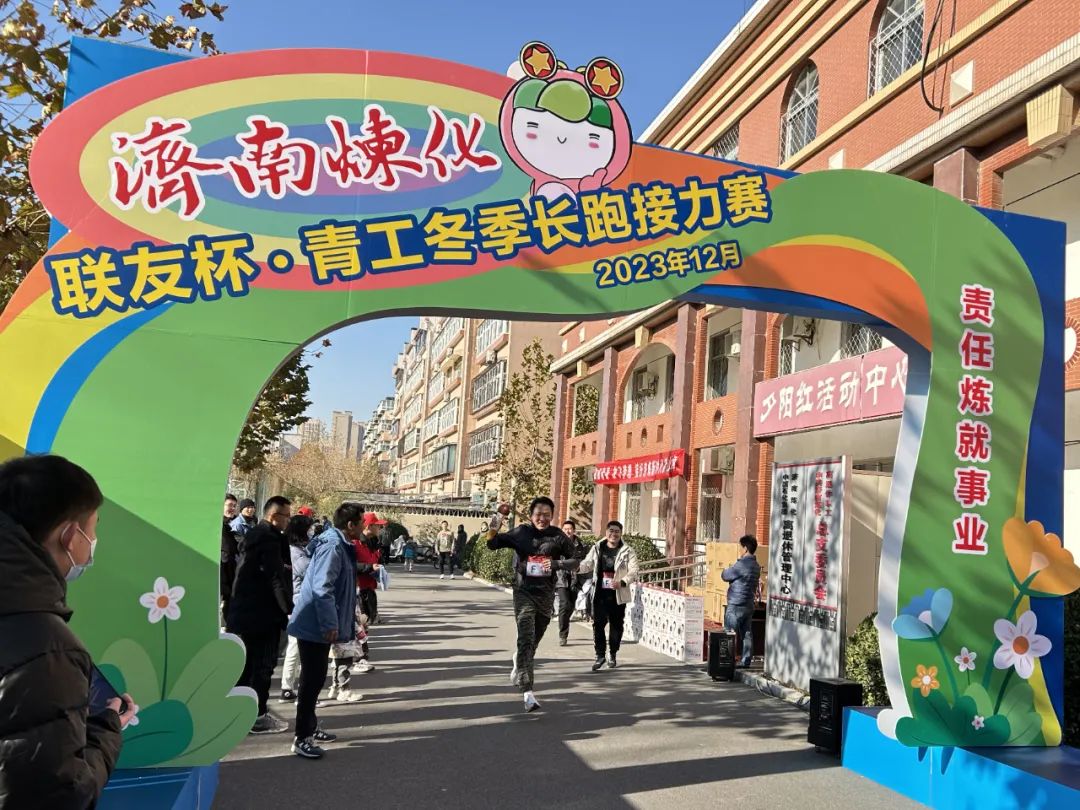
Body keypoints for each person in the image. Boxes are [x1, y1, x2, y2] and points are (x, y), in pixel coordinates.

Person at [0, 454, 138, 807]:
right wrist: (107, 729)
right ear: (70, 535)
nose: (93, 541)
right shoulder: (48, 648)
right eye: (93, 528)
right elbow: (58, 794)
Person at [485, 497, 579, 712]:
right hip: (523, 591)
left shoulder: (557, 535)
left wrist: (555, 563)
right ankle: (527, 692)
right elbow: (492, 543)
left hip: (545, 595)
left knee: (532, 644)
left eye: (547, 515)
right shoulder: (521, 532)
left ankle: (519, 661)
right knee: (526, 638)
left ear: (552, 516)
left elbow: (575, 561)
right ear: (530, 515)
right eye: (538, 514)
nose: (542, 518)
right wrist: (497, 519)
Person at [287, 503, 363, 760]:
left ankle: (309, 727)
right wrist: (330, 623)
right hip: (315, 623)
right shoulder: (333, 546)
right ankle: (302, 737)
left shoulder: (339, 543)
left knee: (315, 679)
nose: (363, 527)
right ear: (351, 525)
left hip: (317, 622)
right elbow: (322, 587)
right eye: (361, 522)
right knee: (312, 680)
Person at [227, 496, 293, 734]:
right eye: (286, 516)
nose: (289, 521)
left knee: (245, 668)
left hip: (244, 613)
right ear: (274, 517)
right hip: (262, 615)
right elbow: (275, 578)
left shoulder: (255, 535)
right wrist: (289, 609)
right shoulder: (268, 539)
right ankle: (257, 716)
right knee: (262, 667)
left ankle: (239, 714)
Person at [579, 520, 640, 671]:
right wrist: (576, 567)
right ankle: (600, 655)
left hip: (618, 594)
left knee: (616, 626)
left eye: (617, 531)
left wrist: (623, 582)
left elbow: (634, 570)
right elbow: (587, 563)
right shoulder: (597, 547)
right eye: (611, 531)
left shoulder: (627, 551)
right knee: (598, 624)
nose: (614, 534)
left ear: (621, 533)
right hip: (600, 594)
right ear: (606, 532)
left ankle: (612, 653)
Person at [280, 513, 315, 703]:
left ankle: (291, 687)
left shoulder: (302, 548)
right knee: (297, 647)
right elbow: (308, 570)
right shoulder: (294, 551)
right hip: (299, 603)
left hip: (302, 601)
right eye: (309, 528)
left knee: (298, 647)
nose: (312, 532)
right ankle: (290, 688)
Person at [721, 535, 761, 668]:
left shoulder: (741, 564)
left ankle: (727, 661)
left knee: (729, 633)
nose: (739, 550)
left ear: (745, 548)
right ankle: (746, 661)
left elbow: (725, 575)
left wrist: (725, 570)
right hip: (748, 603)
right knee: (747, 633)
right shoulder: (756, 566)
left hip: (736, 603)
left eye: (740, 547)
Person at [555, 518, 588, 646]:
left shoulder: (582, 546)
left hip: (576, 579)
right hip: (561, 578)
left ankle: (564, 621)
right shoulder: (556, 544)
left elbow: (586, 562)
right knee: (564, 604)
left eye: (570, 529)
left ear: (574, 531)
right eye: (565, 529)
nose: (568, 531)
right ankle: (563, 635)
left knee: (570, 606)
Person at [355, 512, 385, 644]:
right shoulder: (355, 543)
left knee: (365, 625)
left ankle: (362, 651)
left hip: (369, 589)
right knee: (359, 625)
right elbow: (351, 565)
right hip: (358, 590)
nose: (380, 528)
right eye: (377, 525)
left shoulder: (372, 543)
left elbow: (375, 560)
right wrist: (369, 567)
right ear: (368, 526)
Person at [221, 493, 239, 626]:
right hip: (222, 571)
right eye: (229, 505)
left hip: (231, 569)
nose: (232, 508)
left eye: (234, 506)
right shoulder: (218, 526)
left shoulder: (231, 525)